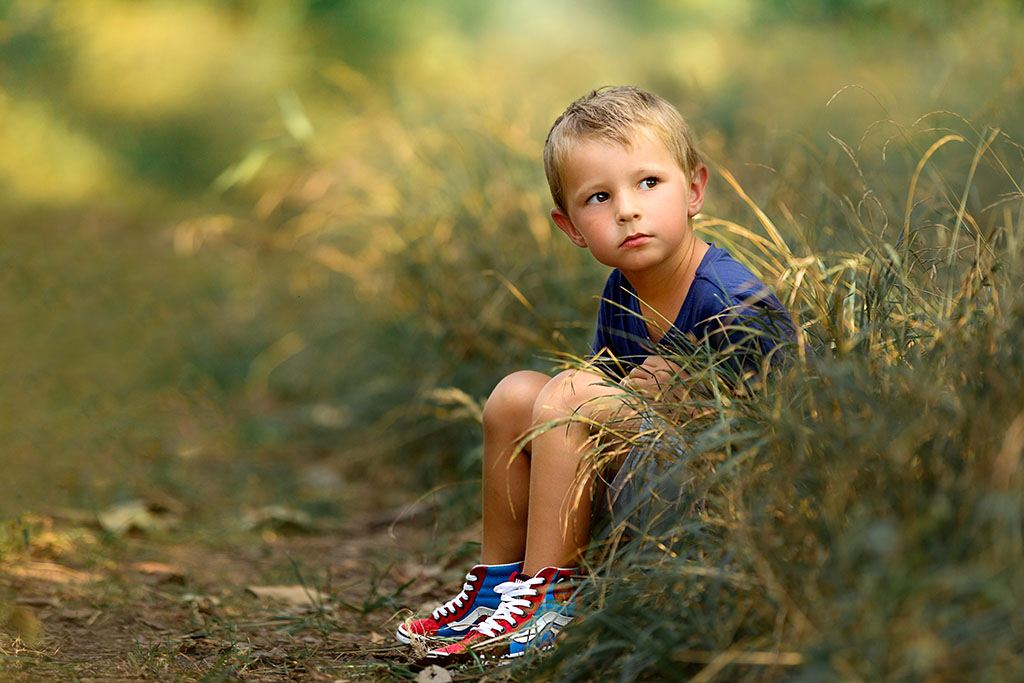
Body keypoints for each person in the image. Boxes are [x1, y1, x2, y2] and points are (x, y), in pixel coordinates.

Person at [396, 86, 792, 661]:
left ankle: (551, 603)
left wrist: (687, 399)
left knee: (573, 393)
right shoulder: (623, 291)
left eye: (648, 183)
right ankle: (499, 590)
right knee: (515, 396)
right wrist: (635, 398)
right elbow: (604, 401)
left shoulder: (730, 298)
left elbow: (783, 425)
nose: (627, 209)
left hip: (718, 508)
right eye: (599, 197)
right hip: (639, 477)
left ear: (695, 190)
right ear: (572, 227)